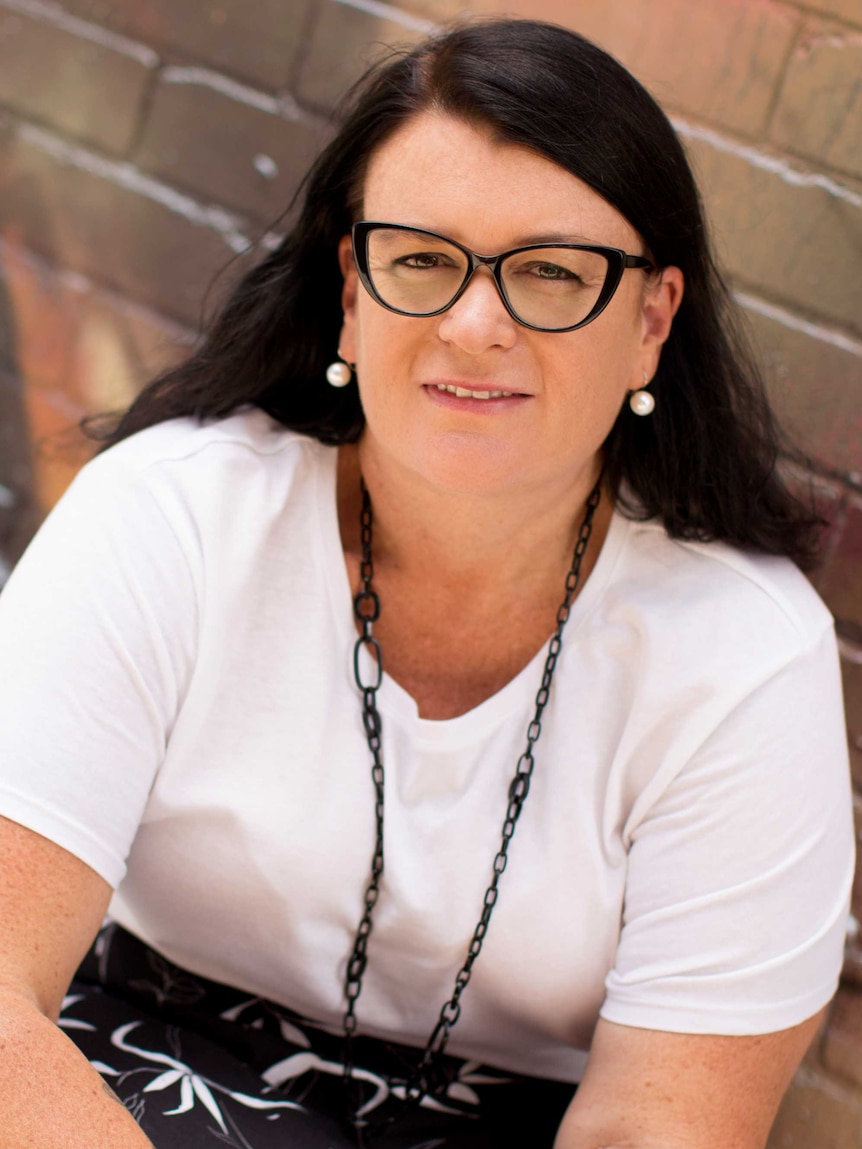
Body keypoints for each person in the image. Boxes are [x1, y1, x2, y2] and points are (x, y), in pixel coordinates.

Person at [0, 17, 854, 1149]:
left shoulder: (742, 656)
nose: (471, 324)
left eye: (550, 273)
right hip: (111, 1082)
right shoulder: (170, 516)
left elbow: (656, 1133)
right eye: (420, 260)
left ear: (651, 321)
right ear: (352, 289)